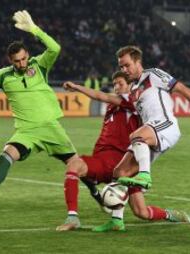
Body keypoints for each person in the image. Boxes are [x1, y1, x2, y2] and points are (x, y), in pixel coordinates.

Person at [0, 10, 80, 206]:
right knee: (6, 154)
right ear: (10, 60)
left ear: (27, 55)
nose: (22, 63)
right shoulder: (3, 76)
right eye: (17, 61)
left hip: (51, 128)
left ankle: (100, 196)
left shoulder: (39, 65)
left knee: (78, 166)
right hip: (27, 131)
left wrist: (34, 29)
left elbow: (55, 48)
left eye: (24, 58)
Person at [89, 45, 190, 231]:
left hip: (166, 126)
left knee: (136, 135)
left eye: (126, 65)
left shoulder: (153, 75)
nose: (123, 70)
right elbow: (108, 98)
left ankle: (145, 176)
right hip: (149, 136)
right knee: (121, 176)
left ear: (138, 62)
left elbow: (181, 88)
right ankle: (120, 221)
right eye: (121, 67)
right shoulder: (133, 91)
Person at [56, 71, 140, 231]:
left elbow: (100, 95)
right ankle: (170, 215)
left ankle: (74, 217)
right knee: (141, 211)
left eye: (120, 84)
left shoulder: (131, 102)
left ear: (130, 86)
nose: (116, 87)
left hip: (115, 164)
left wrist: (76, 87)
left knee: (75, 165)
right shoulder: (115, 104)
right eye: (114, 84)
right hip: (103, 160)